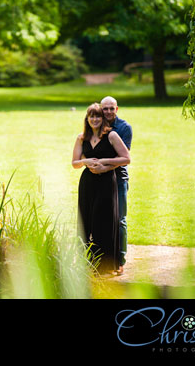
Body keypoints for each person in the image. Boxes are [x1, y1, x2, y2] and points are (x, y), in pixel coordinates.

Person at [72, 102, 131, 274]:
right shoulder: (81, 137)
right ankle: (86, 264)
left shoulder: (111, 135)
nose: (95, 119)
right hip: (88, 183)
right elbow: (74, 163)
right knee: (86, 221)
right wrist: (85, 162)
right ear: (87, 118)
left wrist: (105, 163)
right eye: (92, 116)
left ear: (102, 118)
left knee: (103, 222)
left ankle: (105, 266)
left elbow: (126, 158)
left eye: (98, 116)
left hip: (106, 182)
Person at [99, 96, 132, 275]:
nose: (109, 112)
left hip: (118, 179)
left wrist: (102, 165)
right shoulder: (95, 126)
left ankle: (120, 260)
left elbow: (123, 159)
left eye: (112, 108)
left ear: (117, 109)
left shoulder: (124, 128)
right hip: (99, 180)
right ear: (100, 109)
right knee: (101, 221)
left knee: (119, 220)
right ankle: (102, 260)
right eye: (106, 109)